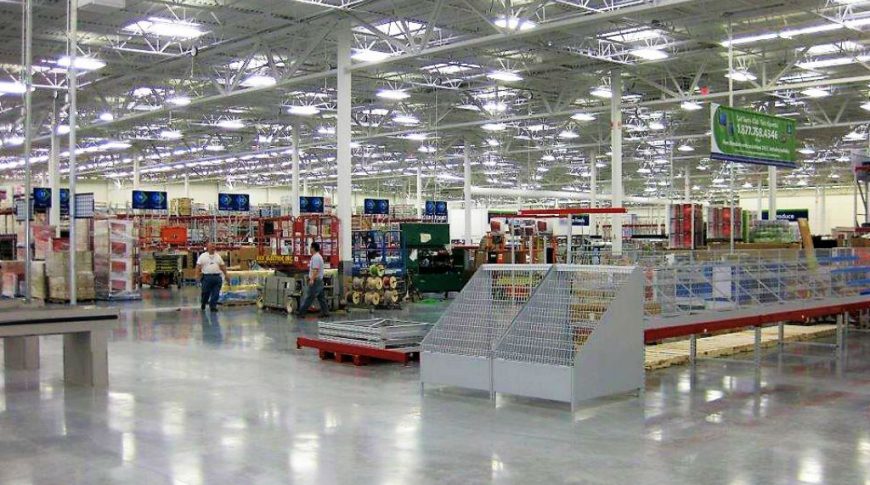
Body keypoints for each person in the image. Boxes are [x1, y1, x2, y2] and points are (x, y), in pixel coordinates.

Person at [296, 241, 329, 318]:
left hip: (316, 281)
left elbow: (315, 269)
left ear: (313, 248)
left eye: (310, 247)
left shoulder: (316, 257)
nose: (310, 249)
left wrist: (312, 279)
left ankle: (301, 313)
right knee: (321, 298)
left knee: (309, 297)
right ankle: (325, 312)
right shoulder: (318, 256)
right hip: (319, 280)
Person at [196, 243, 228, 312]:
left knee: (216, 293)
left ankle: (213, 306)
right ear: (207, 247)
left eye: (214, 247)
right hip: (206, 278)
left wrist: (226, 275)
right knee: (205, 292)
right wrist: (197, 276)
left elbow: (222, 266)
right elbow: (198, 266)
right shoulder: (203, 256)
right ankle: (203, 302)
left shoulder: (218, 256)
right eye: (211, 247)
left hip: (217, 278)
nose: (213, 248)